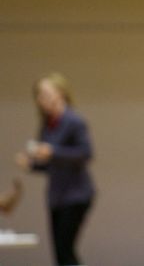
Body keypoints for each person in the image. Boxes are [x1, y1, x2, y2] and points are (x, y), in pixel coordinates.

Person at [15, 72, 95, 266]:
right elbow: (50, 165)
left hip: (76, 195)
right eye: (39, 95)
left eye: (46, 94)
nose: (42, 99)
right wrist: (32, 164)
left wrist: (53, 151)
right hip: (57, 195)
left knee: (65, 251)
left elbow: (85, 153)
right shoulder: (47, 123)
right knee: (60, 254)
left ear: (60, 93)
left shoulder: (73, 121)